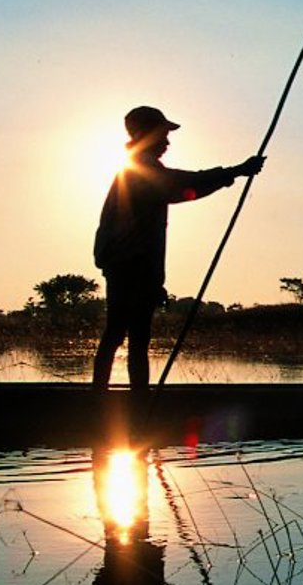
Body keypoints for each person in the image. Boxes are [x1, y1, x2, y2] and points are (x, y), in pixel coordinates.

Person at [92, 106, 264, 391]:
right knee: (127, 336)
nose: (167, 141)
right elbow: (182, 185)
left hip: (134, 266)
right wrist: (234, 172)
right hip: (129, 265)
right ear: (146, 134)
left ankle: (120, 399)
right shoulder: (139, 171)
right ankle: (120, 401)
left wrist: (230, 176)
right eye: (163, 133)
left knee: (132, 336)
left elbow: (183, 189)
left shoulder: (139, 168)